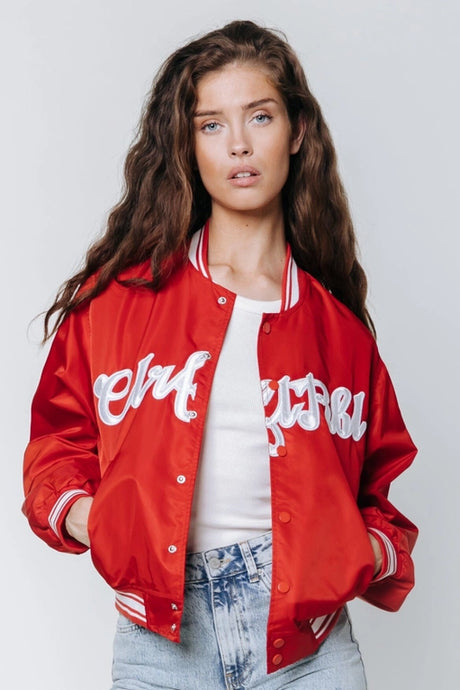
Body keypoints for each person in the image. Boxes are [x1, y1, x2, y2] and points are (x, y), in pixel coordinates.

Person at [22, 20, 418, 690]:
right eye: (211, 124)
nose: (239, 144)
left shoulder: (340, 332)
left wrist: (363, 553)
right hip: (159, 645)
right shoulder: (117, 305)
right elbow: (56, 446)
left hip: (310, 651)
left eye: (260, 116)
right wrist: (99, 522)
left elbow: (379, 488)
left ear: (296, 131)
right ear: (187, 144)